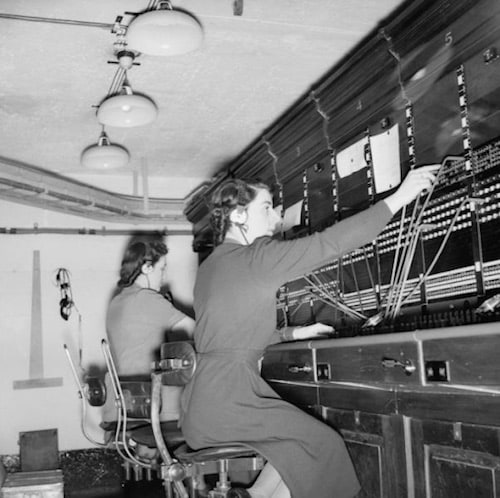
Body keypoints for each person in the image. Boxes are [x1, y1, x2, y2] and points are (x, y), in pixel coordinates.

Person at [180, 165, 439, 498]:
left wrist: (293, 334)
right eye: (266, 207)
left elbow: (230, 335)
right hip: (232, 400)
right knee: (323, 444)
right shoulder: (256, 258)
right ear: (239, 216)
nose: (275, 218)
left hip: (202, 405)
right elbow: (329, 244)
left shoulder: (211, 266)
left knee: (295, 449)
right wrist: (399, 198)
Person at [103, 238, 195, 423]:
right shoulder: (147, 298)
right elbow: (197, 330)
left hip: (120, 404)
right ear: (146, 267)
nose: (163, 276)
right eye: (162, 269)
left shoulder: (116, 301)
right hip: (151, 404)